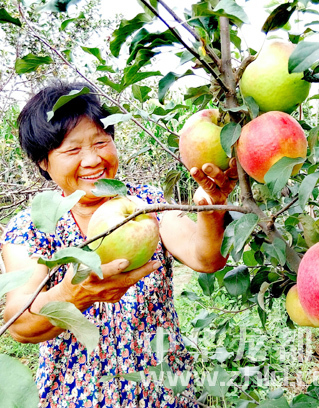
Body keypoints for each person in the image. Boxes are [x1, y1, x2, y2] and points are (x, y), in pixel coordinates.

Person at [0, 82, 238, 407]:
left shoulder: (145, 203)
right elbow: (20, 323)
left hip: (162, 390)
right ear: (44, 162)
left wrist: (212, 206)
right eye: (72, 150)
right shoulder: (33, 226)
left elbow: (205, 257)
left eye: (101, 142)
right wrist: (74, 294)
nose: (93, 159)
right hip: (76, 397)